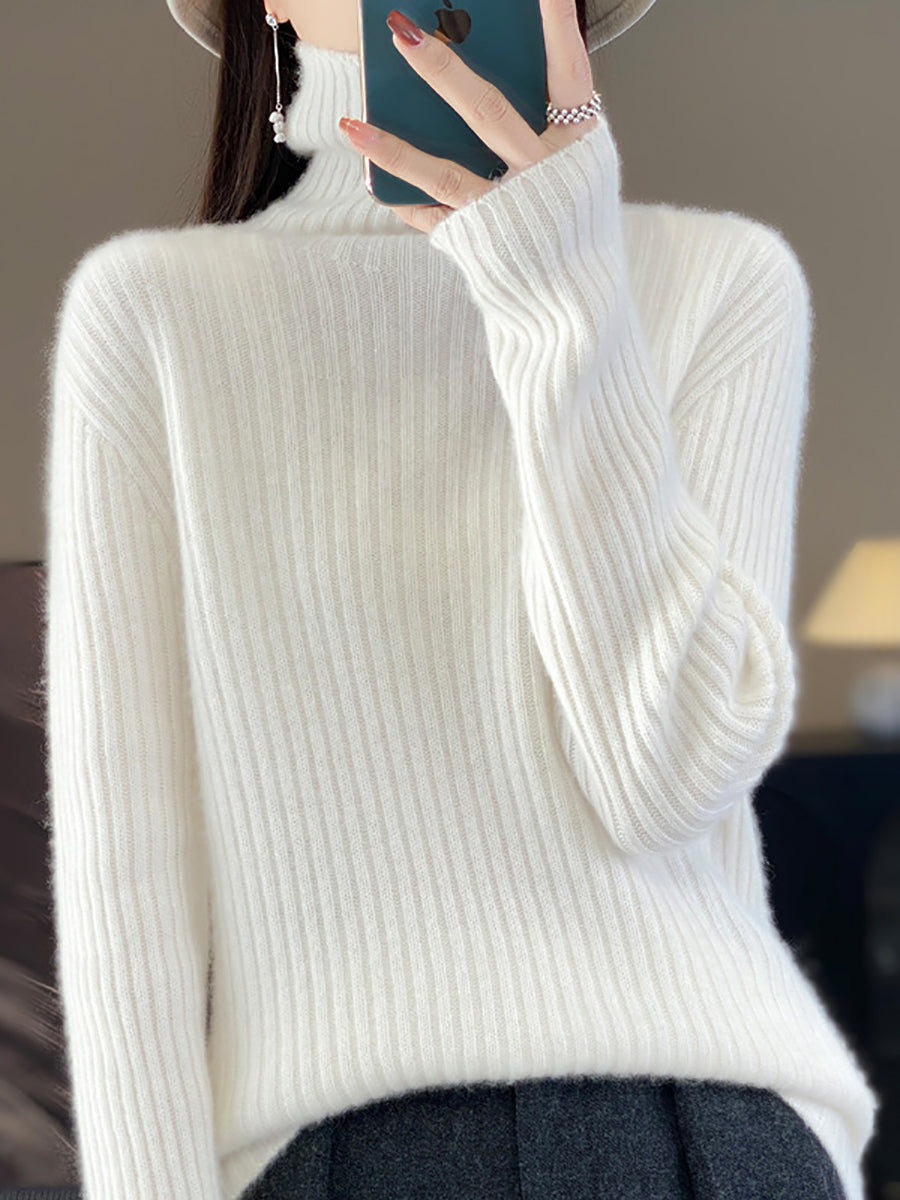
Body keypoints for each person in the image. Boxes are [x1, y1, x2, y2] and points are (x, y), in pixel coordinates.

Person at [41, 0, 880, 1196]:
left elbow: (667, 779)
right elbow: (128, 893)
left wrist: (559, 289)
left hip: (712, 1126)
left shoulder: (720, 285)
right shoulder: (155, 313)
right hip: (346, 1144)